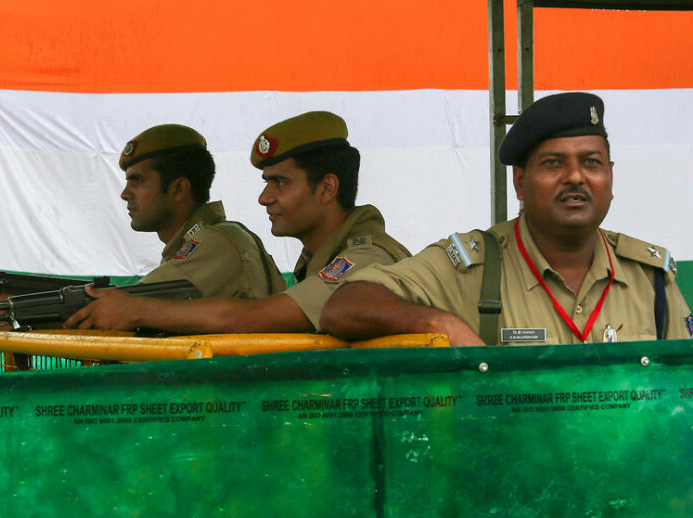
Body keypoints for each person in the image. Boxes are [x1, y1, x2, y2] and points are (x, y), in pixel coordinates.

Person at [320, 92, 693, 345]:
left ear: (609, 176)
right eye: (554, 163)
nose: (576, 177)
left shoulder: (651, 279)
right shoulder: (474, 267)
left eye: (591, 163)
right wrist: (439, 323)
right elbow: (344, 306)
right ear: (519, 181)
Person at [65, 111, 410, 333]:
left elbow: (247, 318)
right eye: (266, 183)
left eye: (280, 183)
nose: (264, 198)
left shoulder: (365, 259)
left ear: (326, 188)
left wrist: (137, 311)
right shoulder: (323, 261)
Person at [107, 123, 286, 299]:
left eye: (137, 181)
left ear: (179, 189)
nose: (125, 194)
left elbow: (125, 308)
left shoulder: (215, 242)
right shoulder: (195, 242)